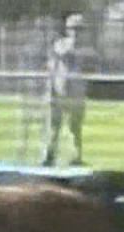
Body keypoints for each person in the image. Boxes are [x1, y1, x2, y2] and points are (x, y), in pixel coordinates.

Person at [42, 13, 100, 167]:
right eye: (73, 29)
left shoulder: (88, 50)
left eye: (79, 29)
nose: (76, 32)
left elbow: (93, 67)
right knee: (54, 127)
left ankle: (76, 157)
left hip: (77, 95)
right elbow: (55, 62)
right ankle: (49, 156)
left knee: (75, 128)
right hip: (58, 92)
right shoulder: (60, 45)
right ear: (68, 30)